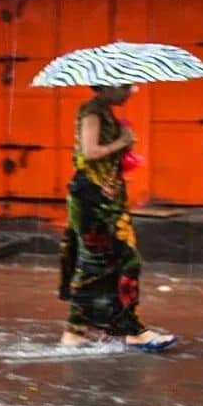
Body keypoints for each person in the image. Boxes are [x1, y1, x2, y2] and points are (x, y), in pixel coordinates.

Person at [58, 85, 177, 352]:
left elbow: (104, 157)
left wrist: (124, 148)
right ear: (107, 85)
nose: (130, 91)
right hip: (92, 198)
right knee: (100, 263)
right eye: (124, 86)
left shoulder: (105, 111)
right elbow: (90, 152)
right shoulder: (92, 111)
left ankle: (108, 328)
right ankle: (84, 331)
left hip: (107, 198)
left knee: (116, 262)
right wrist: (121, 141)